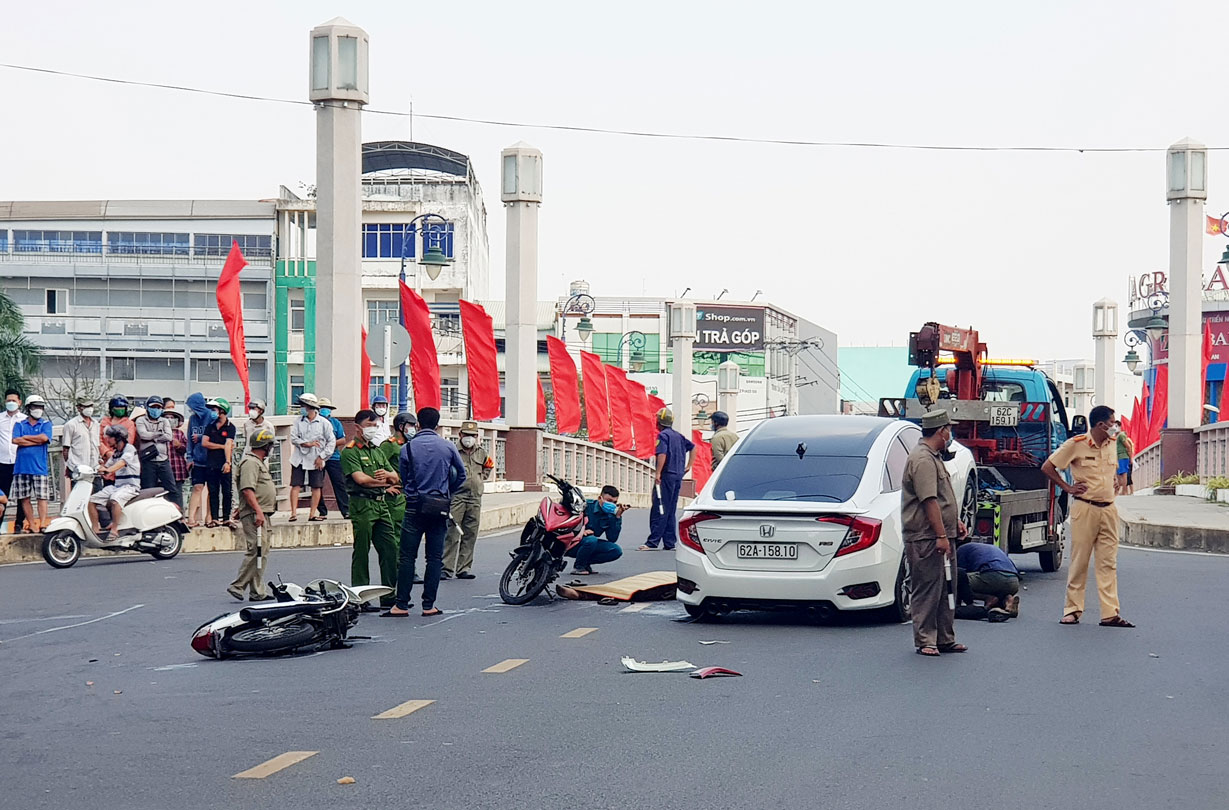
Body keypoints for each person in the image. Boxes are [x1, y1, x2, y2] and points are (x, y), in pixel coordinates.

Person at [1042, 404, 1134, 628]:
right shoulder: (1076, 445)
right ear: (1101, 425)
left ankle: (1110, 613)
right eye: (1112, 423)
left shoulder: (1115, 444)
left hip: (1109, 508)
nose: (1115, 427)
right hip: (1085, 508)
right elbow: (1048, 466)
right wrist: (1068, 487)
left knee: (1108, 563)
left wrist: (1117, 479)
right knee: (1080, 561)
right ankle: (1072, 610)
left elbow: (1124, 464)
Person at [384, 407, 466, 618]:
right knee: (435, 558)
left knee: (407, 557)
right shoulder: (448, 446)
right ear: (437, 424)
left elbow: (404, 476)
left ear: (418, 424)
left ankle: (401, 604)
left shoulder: (407, 449)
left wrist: (413, 492)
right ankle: (429, 605)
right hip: (439, 507)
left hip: (413, 506)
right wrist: (447, 493)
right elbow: (461, 475)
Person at [901, 410, 968, 657]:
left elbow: (942, 499)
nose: (950, 434)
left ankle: (944, 638)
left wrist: (955, 523)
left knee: (946, 589)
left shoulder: (934, 457)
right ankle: (926, 639)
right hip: (926, 536)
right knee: (928, 588)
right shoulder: (922, 460)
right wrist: (940, 535)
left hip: (942, 534)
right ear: (941, 431)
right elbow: (929, 500)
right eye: (949, 429)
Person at [342, 410, 401, 609]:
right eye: (370, 424)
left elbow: (395, 477)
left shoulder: (376, 450)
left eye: (376, 425)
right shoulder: (351, 452)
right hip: (362, 504)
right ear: (358, 427)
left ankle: (389, 595)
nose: (373, 429)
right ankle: (360, 596)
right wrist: (383, 481)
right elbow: (361, 480)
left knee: (390, 548)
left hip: (380, 504)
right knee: (361, 551)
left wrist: (385, 479)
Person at [227, 426, 278, 602]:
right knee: (256, 550)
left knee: (261, 551)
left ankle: (257, 591)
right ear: (265, 446)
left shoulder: (257, 462)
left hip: (260, 512)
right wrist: (257, 511)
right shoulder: (250, 463)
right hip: (256, 514)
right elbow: (248, 490)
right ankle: (238, 585)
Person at [443, 421, 494, 580]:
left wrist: (480, 479)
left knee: (470, 533)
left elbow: (489, 466)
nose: (469, 438)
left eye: (472, 435)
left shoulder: (481, 452)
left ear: (477, 437)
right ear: (460, 435)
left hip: (475, 497)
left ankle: (464, 568)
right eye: (466, 435)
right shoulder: (452, 451)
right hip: (457, 496)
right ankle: (446, 568)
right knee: (452, 532)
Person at [639, 408, 694, 551]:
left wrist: (658, 473)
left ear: (660, 421)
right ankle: (669, 542)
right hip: (677, 476)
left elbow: (662, 454)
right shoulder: (678, 436)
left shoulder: (663, 436)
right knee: (670, 509)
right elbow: (693, 447)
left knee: (660, 508)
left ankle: (653, 542)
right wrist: (688, 466)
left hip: (667, 475)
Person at [378, 412, 416, 580]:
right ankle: (399, 569)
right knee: (396, 535)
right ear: (401, 426)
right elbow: (376, 467)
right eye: (410, 425)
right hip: (395, 496)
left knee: (409, 535)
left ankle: (408, 568)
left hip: (408, 495)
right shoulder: (390, 445)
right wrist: (384, 488)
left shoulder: (410, 445)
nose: (413, 429)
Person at [90, 425, 142, 544]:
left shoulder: (129, 449)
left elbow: (121, 463)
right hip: (118, 486)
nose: (107, 440)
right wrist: (98, 469)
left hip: (131, 486)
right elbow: (107, 466)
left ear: (118, 438)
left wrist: (109, 470)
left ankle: (114, 530)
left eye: (110, 437)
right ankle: (95, 529)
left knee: (115, 500)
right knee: (91, 501)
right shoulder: (116, 453)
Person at [288, 393, 335, 522]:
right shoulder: (298, 421)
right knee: (296, 484)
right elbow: (293, 438)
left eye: (305, 406)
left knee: (316, 486)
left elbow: (331, 442)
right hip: (299, 457)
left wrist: (322, 457)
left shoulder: (324, 423)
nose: (302, 408)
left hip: (316, 458)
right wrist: (305, 443)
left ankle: (312, 513)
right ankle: (293, 513)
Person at [11, 395, 54, 533]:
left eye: (40, 407)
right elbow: (16, 440)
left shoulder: (46, 424)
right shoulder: (20, 424)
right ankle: (31, 524)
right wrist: (35, 440)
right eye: (35, 407)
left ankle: (42, 523)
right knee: (24, 498)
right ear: (29, 408)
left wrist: (26, 438)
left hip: (39, 467)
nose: (38, 410)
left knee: (42, 497)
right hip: (21, 467)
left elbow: (44, 438)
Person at [134, 395, 181, 508]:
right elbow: (143, 435)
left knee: (172, 488)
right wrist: (159, 435)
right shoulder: (141, 420)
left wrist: (152, 436)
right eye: (153, 407)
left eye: (158, 407)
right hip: (148, 460)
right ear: (148, 408)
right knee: (148, 489)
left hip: (163, 460)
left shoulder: (164, 421)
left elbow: (169, 437)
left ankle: (179, 516)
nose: (156, 410)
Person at [955, 540, 1020, 619]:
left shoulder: (961, 550)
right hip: (1013, 582)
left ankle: (988, 598)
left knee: (957, 581)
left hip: (994, 576)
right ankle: (1008, 600)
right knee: (994, 586)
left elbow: (961, 575)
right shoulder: (985, 548)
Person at [572, 485, 628, 575]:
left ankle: (585, 562)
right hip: (572, 542)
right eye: (608, 501)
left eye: (614, 502)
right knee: (591, 540)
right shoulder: (585, 506)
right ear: (599, 498)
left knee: (615, 550)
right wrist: (581, 532)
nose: (611, 504)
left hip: (589, 544)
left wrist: (617, 517)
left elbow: (612, 538)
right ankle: (579, 566)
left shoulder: (611, 514)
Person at [201, 398, 237, 529]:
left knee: (227, 492)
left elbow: (229, 444)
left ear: (222, 410)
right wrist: (221, 447)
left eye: (214, 409)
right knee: (213, 491)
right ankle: (214, 518)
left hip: (224, 463)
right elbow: (204, 443)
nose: (212, 412)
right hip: (211, 463)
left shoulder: (230, 427)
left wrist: (228, 462)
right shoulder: (210, 426)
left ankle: (227, 518)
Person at [315, 396, 350, 520]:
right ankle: (322, 511)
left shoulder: (335, 423)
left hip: (333, 457)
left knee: (339, 483)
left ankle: (346, 510)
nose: (325, 410)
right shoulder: (314, 423)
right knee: (317, 484)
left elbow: (342, 439)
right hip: (318, 457)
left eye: (327, 408)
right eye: (322, 408)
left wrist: (330, 444)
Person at [61, 398, 100, 501]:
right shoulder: (71, 425)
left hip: (94, 467)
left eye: (90, 406)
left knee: (96, 499)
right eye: (86, 406)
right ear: (79, 408)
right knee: (79, 499)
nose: (89, 409)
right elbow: (66, 448)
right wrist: (69, 465)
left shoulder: (96, 424)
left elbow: (97, 445)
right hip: (78, 468)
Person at [1, 390, 28, 533]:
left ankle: (19, 524)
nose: (10, 403)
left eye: (13, 400)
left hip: (20, 462)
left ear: (19, 402)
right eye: (8, 400)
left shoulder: (24, 419)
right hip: (2, 462)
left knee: (21, 495)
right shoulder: (0, 419)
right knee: (1, 495)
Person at [185, 393, 213, 528]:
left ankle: (209, 517)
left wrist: (201, 437)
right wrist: (189, 457)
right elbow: (190, 440)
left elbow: (215, 434)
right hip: (198, 460)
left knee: (212, 489)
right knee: (197, 487)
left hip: (212, 459)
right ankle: (191, 518)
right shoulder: (192, 419)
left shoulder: (211, 416)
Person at [100, 395, 136, 489]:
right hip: (106, 458)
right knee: (107, 488)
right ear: (112, 409)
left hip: (122, 460)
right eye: (117, 407)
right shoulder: (104, 422)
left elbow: (129, 441)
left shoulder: (129, 423)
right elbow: (99, 439)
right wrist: (106, 452)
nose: (120, 409)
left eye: (122, 407)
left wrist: (116, 452)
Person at [166, 408, 190, 507]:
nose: (169, 420)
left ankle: (180, 517)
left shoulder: (179, 433)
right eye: (166, 418)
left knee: (177, 493)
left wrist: (179, 445)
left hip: (177, 468)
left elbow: (186, 449)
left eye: (172, 418)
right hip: (163, 468)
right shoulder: (160, 432)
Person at [1115, 419, 1135, 495]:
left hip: (1123, 456)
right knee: (1119, 474)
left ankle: (1125, 491)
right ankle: (1122, 490)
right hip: (1118, 457)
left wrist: (1130, 458)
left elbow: (1128, 446)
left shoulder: (1121, 435)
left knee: (1124, 474)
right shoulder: (1116, 436)